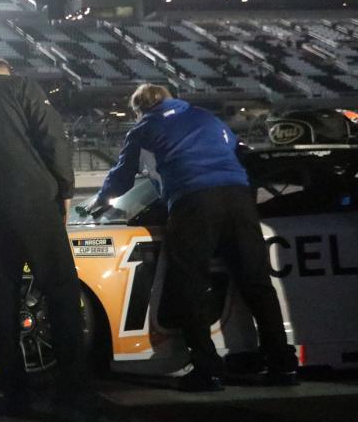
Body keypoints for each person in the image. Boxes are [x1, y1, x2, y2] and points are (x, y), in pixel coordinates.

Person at [89, 83, 298, 391]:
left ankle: (207, 370)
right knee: (255, 282)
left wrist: (98, 205)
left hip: (193, 201)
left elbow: (121, 176)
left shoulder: (144, 128)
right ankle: (282, 365)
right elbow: (240, 153)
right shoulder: (205, 117)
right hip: (238, 197)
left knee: (189, 285)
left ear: (139, 110)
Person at [0, 58, 110, 422]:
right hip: (30, 201)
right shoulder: (20, 87)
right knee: (61, 292)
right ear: (6, 72)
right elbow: (52, 137)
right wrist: (65, 190)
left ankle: (14, 393)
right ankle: (72, 396)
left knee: (5, 298)